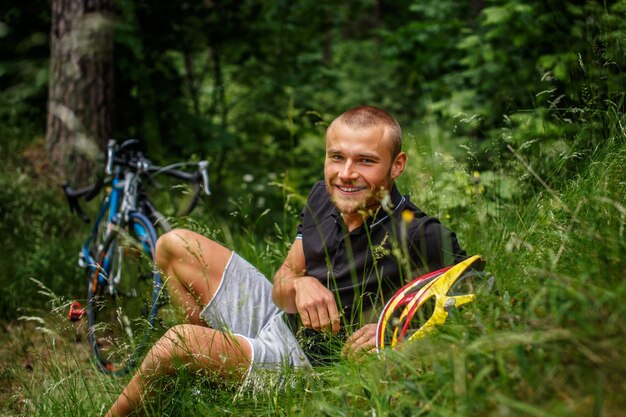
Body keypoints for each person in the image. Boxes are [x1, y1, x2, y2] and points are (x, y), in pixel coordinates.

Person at [105, 105, 465, 416]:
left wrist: (396, 334)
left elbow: (480, 304)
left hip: (306, 366)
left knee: (177, 341)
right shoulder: (323, 197)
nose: (346, 173)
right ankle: (211, 374)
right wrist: (299, 283)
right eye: (337, 157)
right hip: (279, 319)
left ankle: (194, 366)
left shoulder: (420, 233)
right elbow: (284, 279)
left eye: (366, 161)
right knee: (173, 244)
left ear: (397, 165)